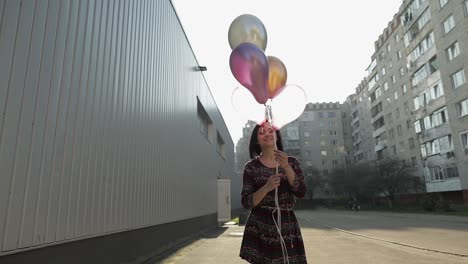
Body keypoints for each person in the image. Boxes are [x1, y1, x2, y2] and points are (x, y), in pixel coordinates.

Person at [239, 123, 308, 264]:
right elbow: (247, 202)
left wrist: (286, 167)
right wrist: (266, 187)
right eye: (262, 132)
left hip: (286, 224)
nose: (267, 134)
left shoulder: (292, 162)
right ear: (256, 140)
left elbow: (301, 191)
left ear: (276, 136)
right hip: (260, 224)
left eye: (270, 131)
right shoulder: (251, 167)